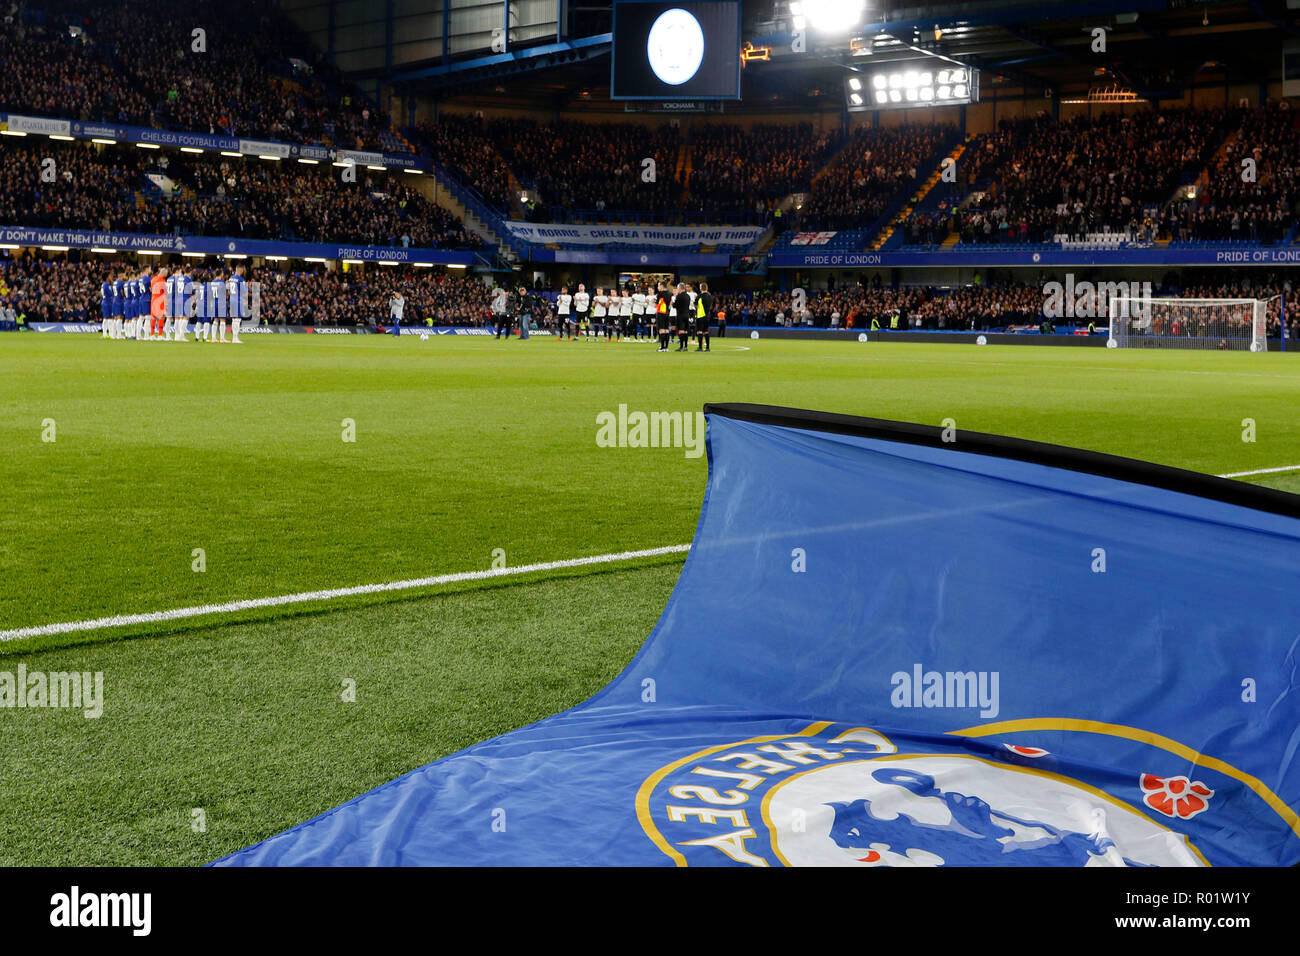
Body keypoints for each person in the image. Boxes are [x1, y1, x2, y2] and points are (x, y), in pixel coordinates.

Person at [672, 282, 693, 352]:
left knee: (681, 331)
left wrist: (672, 303)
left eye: (678, 288)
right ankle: (686, 346)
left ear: (680, 288)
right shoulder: (688, 296)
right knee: (685, 331)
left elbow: (674, 306)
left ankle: (681, 346)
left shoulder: (679, 296)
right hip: (686, 315)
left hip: (680, 315)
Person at [696, 282, 714, 352]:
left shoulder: (699, 296)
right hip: (707, 316)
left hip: (700, 315)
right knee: (706, 331)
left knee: (699, 331)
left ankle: (700, 347)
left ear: (700, 288)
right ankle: (707, 347)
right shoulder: (710, 296)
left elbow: (696, 305)